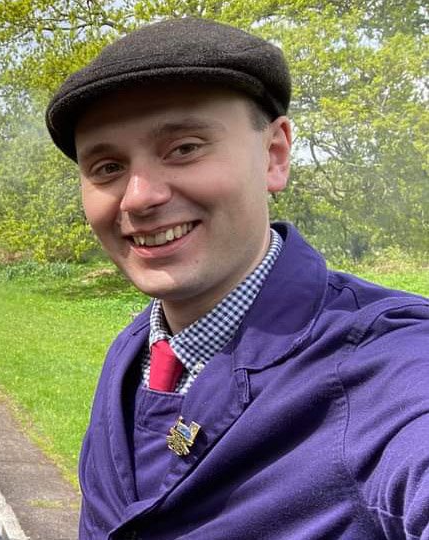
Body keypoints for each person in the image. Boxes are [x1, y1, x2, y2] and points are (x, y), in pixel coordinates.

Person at [44, 18, 429, 539]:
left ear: (274, 155)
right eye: (108, 167)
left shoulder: (386, 365)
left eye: (184, 148)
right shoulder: (134, 352)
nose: (138, 198)